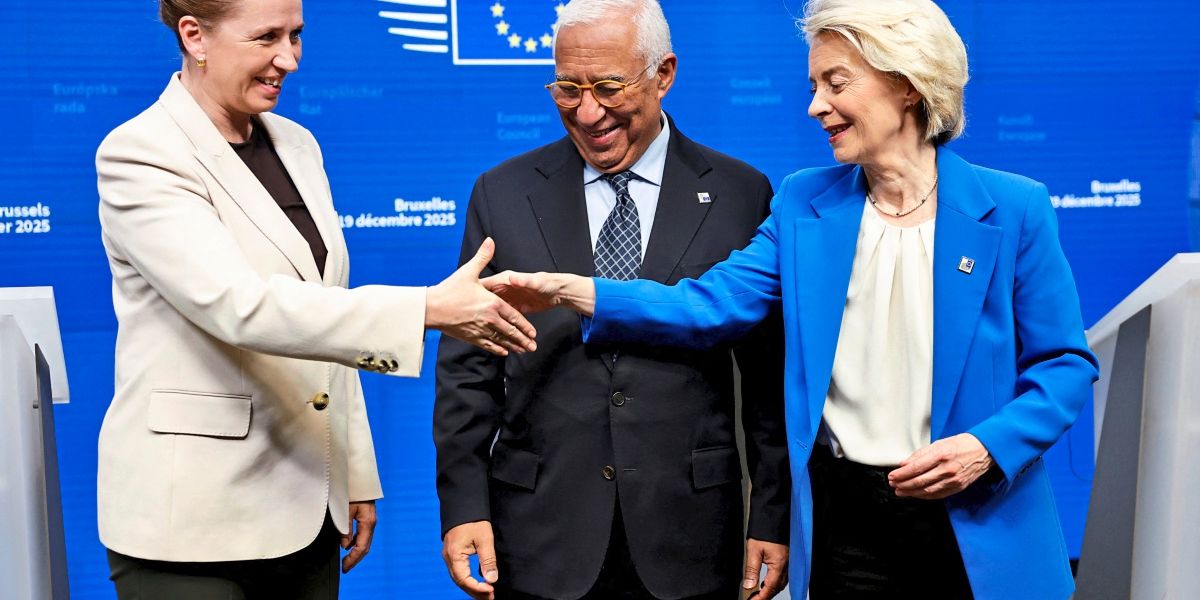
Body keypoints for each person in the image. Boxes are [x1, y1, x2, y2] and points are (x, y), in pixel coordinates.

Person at [487, 0, 1101, 598]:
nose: (815, 106)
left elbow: (1064, 366)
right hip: (846, 530)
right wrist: (573, 290)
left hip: (974, 521)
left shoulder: (1014, 209)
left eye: (836, 83)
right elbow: (707, 303)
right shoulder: (803, 204)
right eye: (814, 86)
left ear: (907, 84)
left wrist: (987, 449)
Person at [95, 0, 535, 597]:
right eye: (266, 38)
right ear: (194, 37)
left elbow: (326, 310)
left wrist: (351, 470)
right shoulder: (141, 152)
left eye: (296, 35)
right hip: (191, 525)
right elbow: (240, 306)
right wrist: (426, 309)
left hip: (306, 509)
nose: (289, 59)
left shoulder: (296, 144)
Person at [433, 1, 791, 599]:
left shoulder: (739, 193)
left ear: (664, 74)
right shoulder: (503, 193)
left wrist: (773, 517)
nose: (587, 112)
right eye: (567, 89)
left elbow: (767, 381)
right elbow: (467, 370)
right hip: (540, 533)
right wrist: (464, 506)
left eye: (608, 87)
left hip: (693, 533)